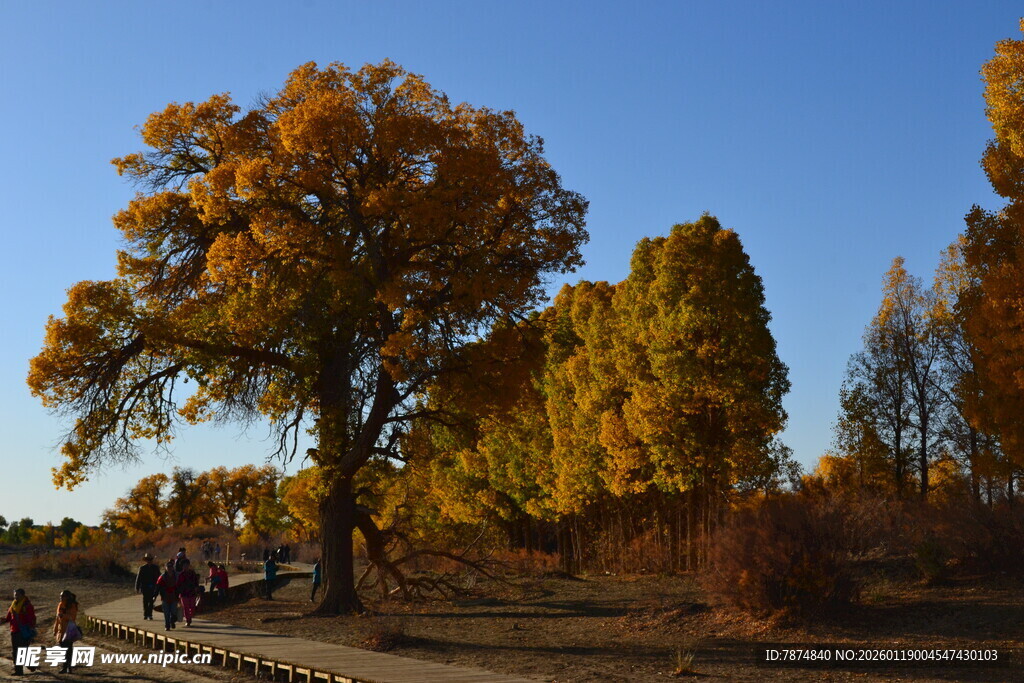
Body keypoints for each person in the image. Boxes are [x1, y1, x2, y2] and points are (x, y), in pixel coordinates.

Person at [1, 588, 37, 676]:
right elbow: (9, 618)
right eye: (15, 595)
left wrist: (31, 631)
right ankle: (20, 670)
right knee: (16, 651)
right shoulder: (13, 604)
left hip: (23, 631)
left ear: (23, 595)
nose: (15, 596)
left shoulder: (27, 606)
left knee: (21, 651)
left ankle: (27, 667)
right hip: (14, 630)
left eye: (17, 595)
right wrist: (3, 620)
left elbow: (32, 619)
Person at [53, 590, 80, 674]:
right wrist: (55, 629)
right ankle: (65, 667)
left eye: (62, 596)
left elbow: (72, 617)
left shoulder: (72, 605)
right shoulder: (60, 605)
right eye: (60, 596)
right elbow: (57, 618)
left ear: (67, 597)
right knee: (63, 649)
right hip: (61, 630)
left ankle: (68, 667)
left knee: (68, 649)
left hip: (69, 630)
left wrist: (63, 616)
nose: (60, 598)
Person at [135, 553, 160, 620]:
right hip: (145, 587)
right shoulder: (142, 568)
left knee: (151, 601)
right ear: (146, 560)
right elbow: (138, 578)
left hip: (153, 587)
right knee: (145, 601)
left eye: (150, 560)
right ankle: (146, 614)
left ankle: (150, 614)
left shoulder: (155, 568)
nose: (149, 561)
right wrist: (137, 587)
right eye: (148, 560)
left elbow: (159, 578)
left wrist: (159, 587)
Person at [155, 560, 178, 630]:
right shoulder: (162, 577)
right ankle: (167, 625)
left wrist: (180, 594)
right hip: (165, 596)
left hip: (174, 596)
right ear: (165, 568)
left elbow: (180, 586)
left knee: (174, 612)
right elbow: (158, 587)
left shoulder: (176, 576)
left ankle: (172, 622)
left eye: (171, 566)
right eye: (168, 567)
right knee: (166, 613)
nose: (170, 568)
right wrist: (154, 596)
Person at [177, 559, 200, 626]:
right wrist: (178, 593)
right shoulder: (181, 575)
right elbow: (178, 585)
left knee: (192, 607)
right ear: (182, 566)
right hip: (184, 594)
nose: (186, 567)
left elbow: (196, 582)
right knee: (185, 608)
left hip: (192, 593)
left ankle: (190, 617)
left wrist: (197, 589)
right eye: (184, 565)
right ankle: (188, 620)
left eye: (187, 565)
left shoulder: (192, 573)